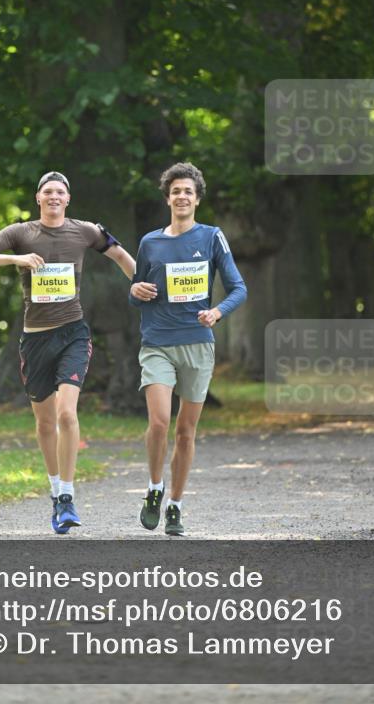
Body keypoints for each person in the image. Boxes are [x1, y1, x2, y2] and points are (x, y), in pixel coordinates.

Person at [0, 171, 135, 534]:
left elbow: (120, 255)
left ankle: (69, 497)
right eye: (48, 191)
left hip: (73, 333)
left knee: (67, 415)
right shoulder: (20, 233)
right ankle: (56, 492)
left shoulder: (85, 230)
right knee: (44, 423)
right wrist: (16, 260)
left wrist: (142, 284)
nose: (54, 196)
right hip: (35, 340)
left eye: (60, 192)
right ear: (38, 197)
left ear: (67, 199)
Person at [129, 162, 247, 536]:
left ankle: (176, 505)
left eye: (188, 191)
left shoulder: (212, 237)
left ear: (196, 199)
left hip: (197, 344)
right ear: (168, 198)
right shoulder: (150, 243)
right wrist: (134, 291)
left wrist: (217, 311)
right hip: (157, 344)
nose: (182, 196)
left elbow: (238, 289)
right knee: (159, 422)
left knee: (185, 431)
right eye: (176, 190)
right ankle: (154, 488)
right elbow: (137, 291)